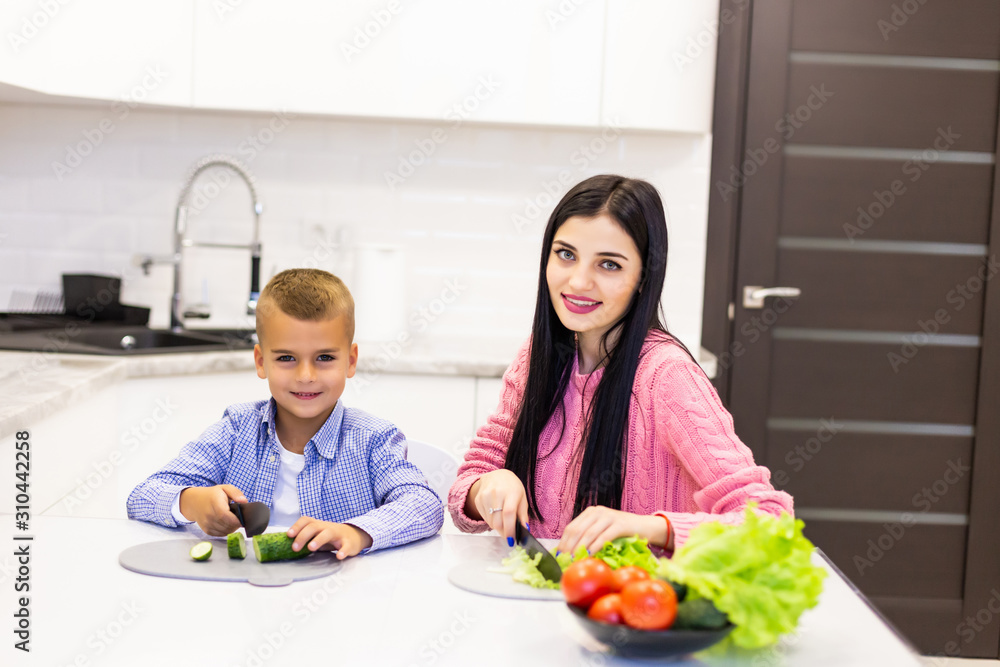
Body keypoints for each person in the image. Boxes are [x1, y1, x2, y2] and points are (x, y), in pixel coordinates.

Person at [448, 174, 792, 555]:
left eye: (609, 265)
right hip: (545, 588)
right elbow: (470, 481)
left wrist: (647, 528)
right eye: (566, 254)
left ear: (643, 278)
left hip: (644, 591)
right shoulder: (537, 357)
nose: (578, 282)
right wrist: (487, 489)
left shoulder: (666, 376)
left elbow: (769, 521)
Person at [127, 268, 443, 559]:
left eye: (324, 357)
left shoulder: (374, 439)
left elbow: (425, 505)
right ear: (261, 362)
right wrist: (191, 502)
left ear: (350, 361)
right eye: (287, 358)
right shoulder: (235, 430)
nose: (306, 376)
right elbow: (142, 497)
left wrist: (356, 533)